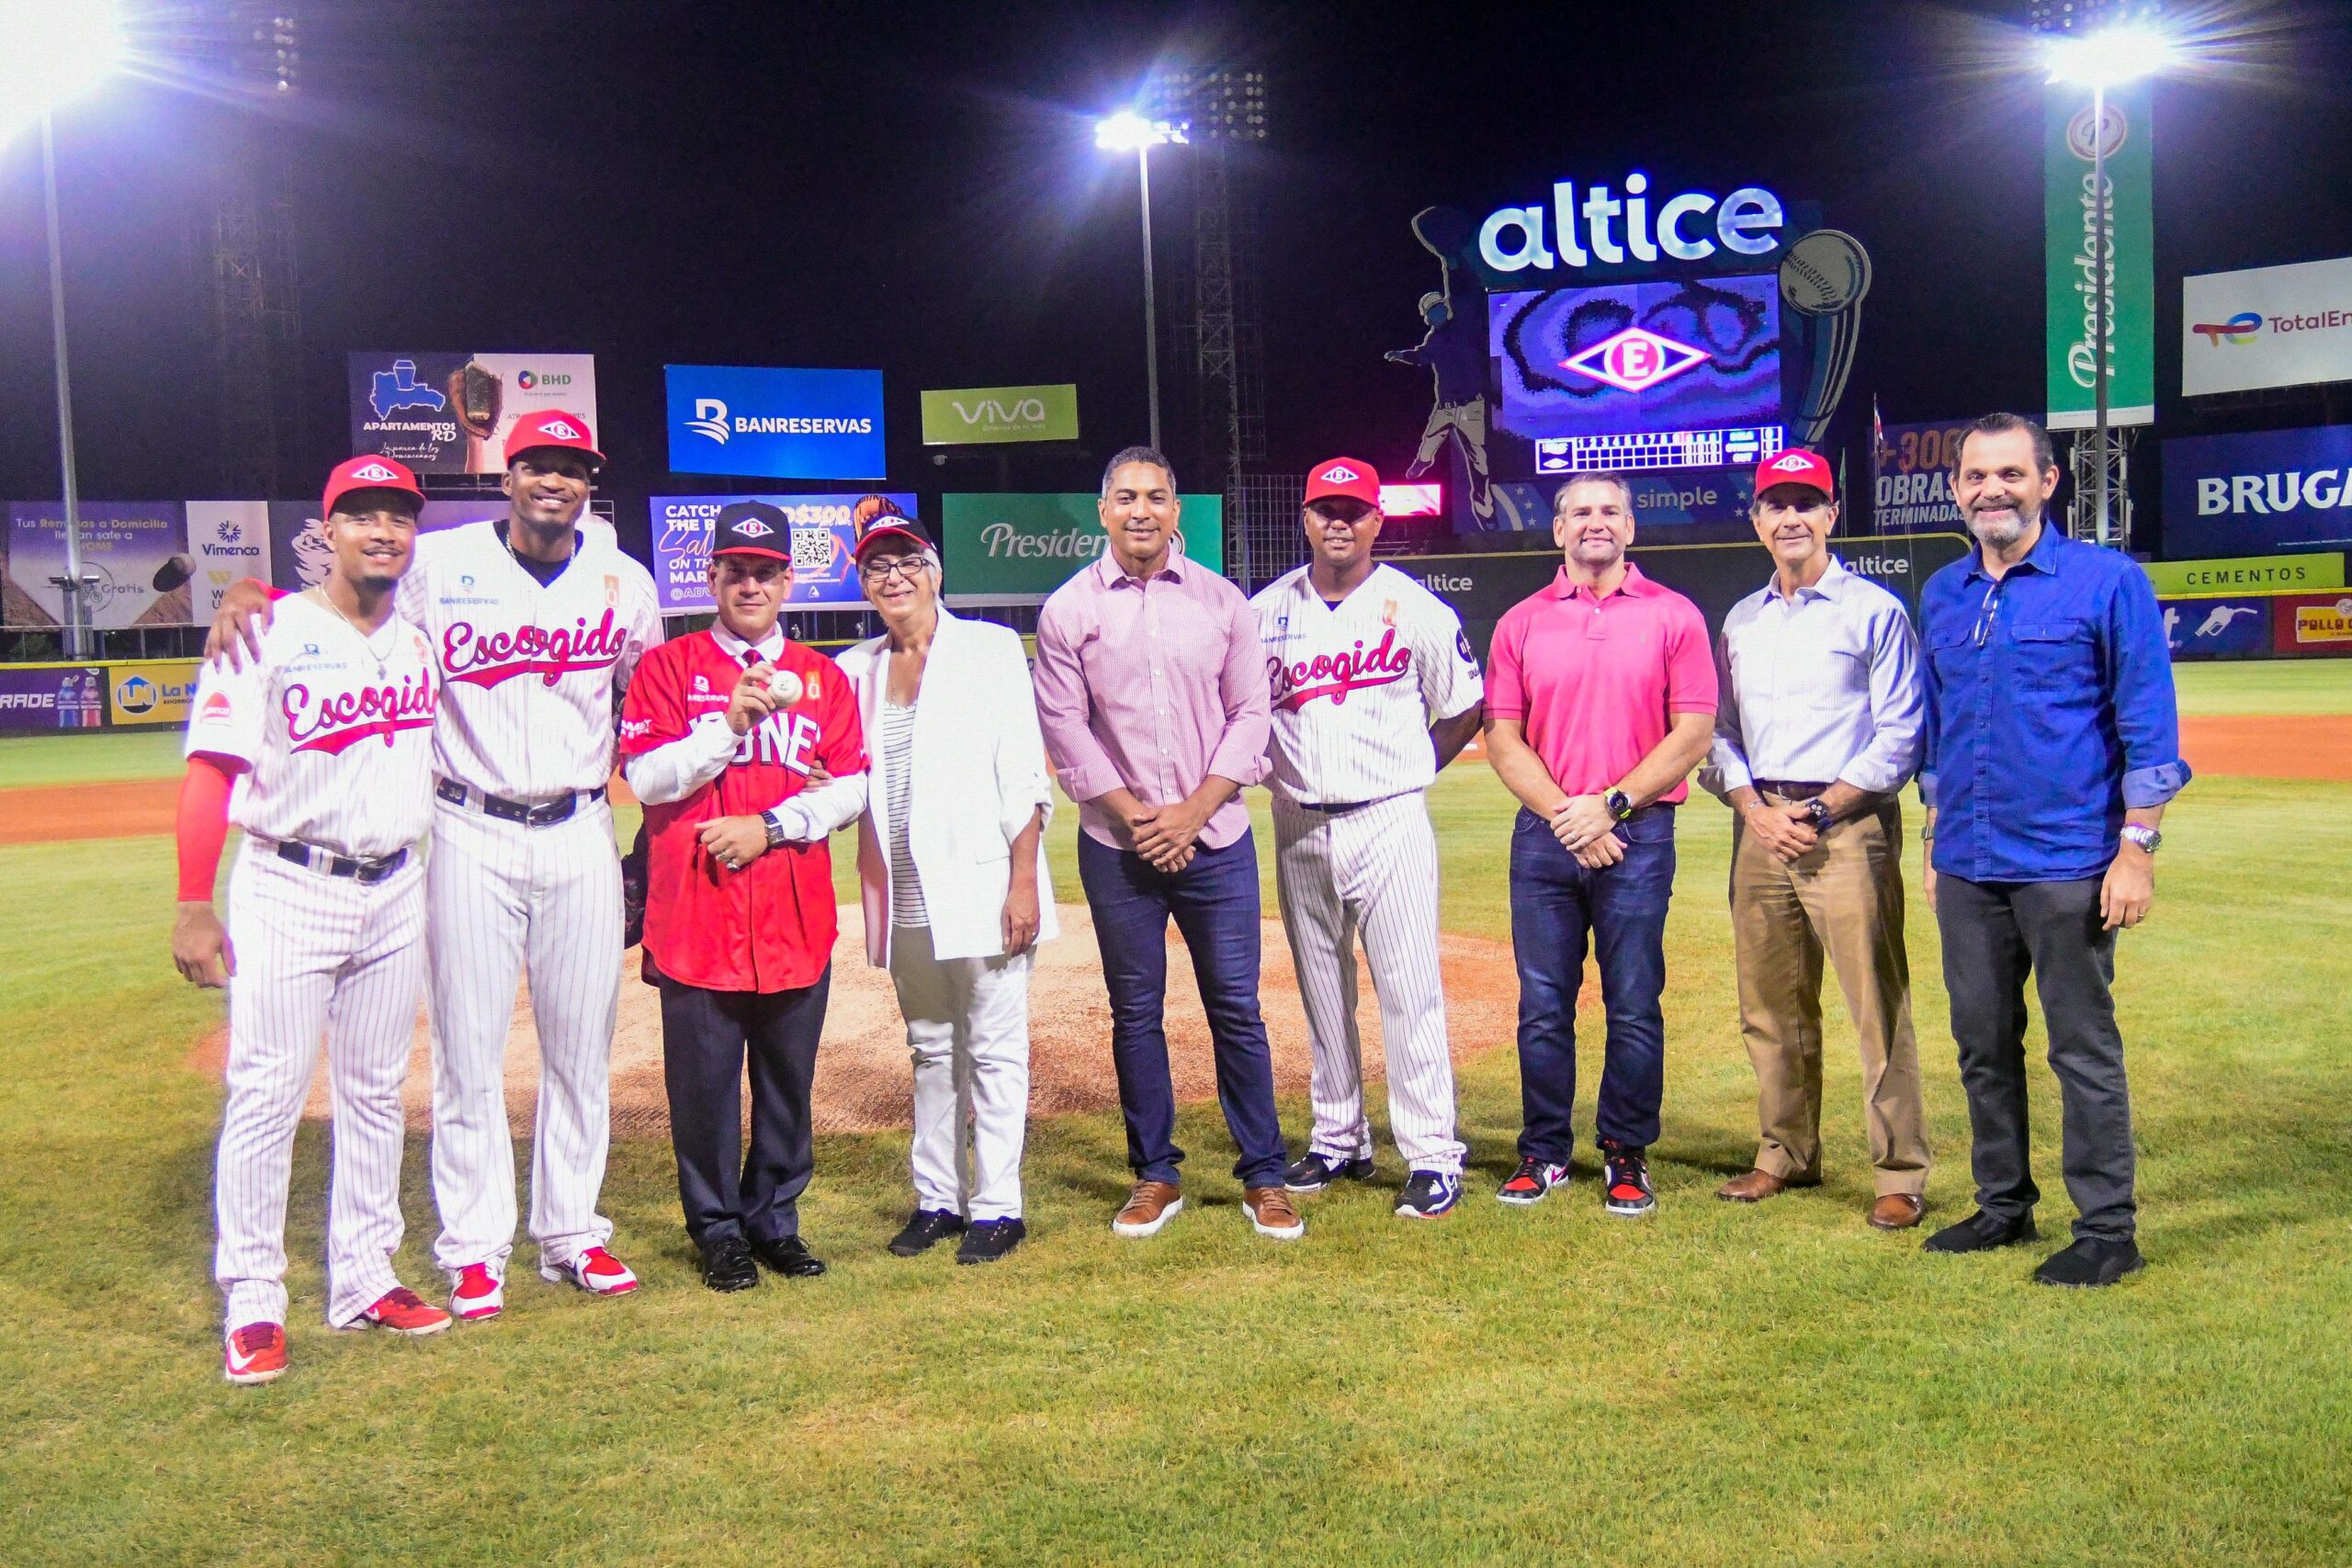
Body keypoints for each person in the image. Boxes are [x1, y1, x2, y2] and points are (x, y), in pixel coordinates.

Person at [208, 411, 663, 1319]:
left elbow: (641, 703)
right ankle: (473, 1247)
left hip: (579, 825)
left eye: (573, 468)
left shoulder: (625, 581)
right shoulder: (439, 566)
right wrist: (244, 588)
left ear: (589, 483)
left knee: (581, 1045)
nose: (555, 480)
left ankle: (572, 1232)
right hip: (465, 830)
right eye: (538, 463)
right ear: (507, 473)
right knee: (467, 1049)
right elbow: (347, 605)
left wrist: (641, 852)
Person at [175, 457, 449, 1384]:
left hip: (392, 888)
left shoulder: (417, 639)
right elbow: (211, 771)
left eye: (398, 518)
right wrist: (190, 902)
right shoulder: (266, 630)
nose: (383, 532)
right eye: (362, 516)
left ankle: (364, 1277)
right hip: (289, 884)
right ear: (326, 532)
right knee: (267, 1095)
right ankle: (252, 1298)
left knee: (375, 1092)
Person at [1917, 412, 2188, 1287]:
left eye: (2009, 473)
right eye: (1975, 476)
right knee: (1982, 1044)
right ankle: (2003, 1204)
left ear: (2048, 482)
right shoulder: (1947, 592)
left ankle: (2108, 1228)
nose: (1991, 489)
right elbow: (1940, 731)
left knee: (2081, 1049)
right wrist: (1933, 839)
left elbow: (2147, 721)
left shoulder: (2106, 582)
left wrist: (2136, 847)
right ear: (1956, 489)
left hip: (2069, 860)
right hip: (1966, 859)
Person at [1032, 446, 1302, 1242]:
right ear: (1103, 510)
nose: (1141, 509)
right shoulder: (1068, 609)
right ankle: (1155, 1173)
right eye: (1126, 496)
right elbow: (1064, 726)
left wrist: (1191, 812)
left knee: (1237, 1010)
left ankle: (1265, 1174)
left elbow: (1252, 715)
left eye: (1156, 495)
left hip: (1213, 837)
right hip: (1118, 848)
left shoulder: (1223, 603)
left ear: (1177, 509)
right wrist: (1140, 817)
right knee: (1135, 1012)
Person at [618, 502, 869, 1292]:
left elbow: (853, 786)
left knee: (787, 1083)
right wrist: (725, 726)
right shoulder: (669, 667)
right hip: (696, 913)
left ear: (789, 579)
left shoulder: (823, 678)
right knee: (702, 1086)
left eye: (766, 571)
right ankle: (718, 1227)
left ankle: (774, 1219)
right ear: (712, 576)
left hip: (794, 910)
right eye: (736, 570)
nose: (751, 583)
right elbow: (647, 778)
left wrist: (772, 822)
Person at [1701, 449, 1930, 1229]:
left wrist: (1822, 811)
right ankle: (1784, 1153)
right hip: (1759, 822)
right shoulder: (1739, 618)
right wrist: (1754, 806)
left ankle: (1899, 1169)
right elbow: (1718, 733)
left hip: (1849, 823)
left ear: (1833, 514)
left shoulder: (1874, 609)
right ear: (1758, 519)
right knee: (1769, 1003)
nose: (1791, 516)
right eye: (1776, 503)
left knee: (1876, 1003)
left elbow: (1901, 736)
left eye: (1808, 502)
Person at [1250, 457, 1486, 1218]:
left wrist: (1415, 765)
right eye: (1326, 509)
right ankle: (1337, 1136)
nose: (1340, 522)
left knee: (1409, 990)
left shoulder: (1414, 608)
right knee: (1323, 995)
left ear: (1379, 520)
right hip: (1296, 821)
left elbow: (1462, 707)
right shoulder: (1265, 612)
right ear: (1307, 519)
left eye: (1354, 509)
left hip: (1388, 815)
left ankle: (1432, 1152)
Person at [1484, 473, 1716, 1217]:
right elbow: (1503, 736)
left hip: (1638, 832)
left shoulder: (1675, 615)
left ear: (1631, 529)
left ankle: (1625, 1149)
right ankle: (1544, 1148)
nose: (1595, 523)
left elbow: (1694, 732)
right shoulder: (1520, 621)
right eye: (1580, 512)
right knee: (1544, 1004)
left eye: (1610, 511)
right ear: (1557, 530)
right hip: (1549, 834)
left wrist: (1610, 806)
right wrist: (1568, 816)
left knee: (1634, 1001)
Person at [836, 514, 1055, 1265]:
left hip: (985, 881)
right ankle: (937, 1198)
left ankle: (999, 1206)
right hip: (901, 889)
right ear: (862, 584)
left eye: (905, 561)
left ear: (934, 569)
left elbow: (1024, 771)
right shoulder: (852, 666)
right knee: (930, 1048)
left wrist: (1023, 879)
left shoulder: (989, 647)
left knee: (994, 1048)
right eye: (876, 566)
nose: (892, 576)